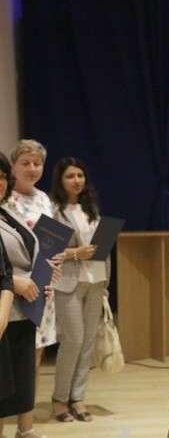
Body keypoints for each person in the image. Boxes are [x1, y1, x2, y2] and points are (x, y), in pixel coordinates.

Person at [0, 151, 59, 438]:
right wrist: (15, 282)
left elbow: (32, 251)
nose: (0, 183)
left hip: (24, 308)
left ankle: (25, 431)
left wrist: (43, 277)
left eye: (2, 177)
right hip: (5, 307)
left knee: (21, 379)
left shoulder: (7, 212)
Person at [50, 157, 109, 422]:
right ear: (60, 181)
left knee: (87, 343)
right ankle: (59, 400)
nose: (76, 180)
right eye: (70, 176)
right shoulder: (53, 210)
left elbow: (103, 248)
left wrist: (106, 284)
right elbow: (48, 252)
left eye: (80, 175)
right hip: (68, 283)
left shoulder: (91, 209)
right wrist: (75, 253)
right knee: (72, 340)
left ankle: (78, 398)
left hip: (96, 281)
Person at [5, 140, 56, 381]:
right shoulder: (5, 198)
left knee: (38, 346)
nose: (32, 168)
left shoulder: (44, 198)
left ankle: (29, 399)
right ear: (13, 166)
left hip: (43, 282)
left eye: (37, 163)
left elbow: (52, 240)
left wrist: (57, 260)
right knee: (14, 351)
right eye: (26, 163)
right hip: (15, 282)